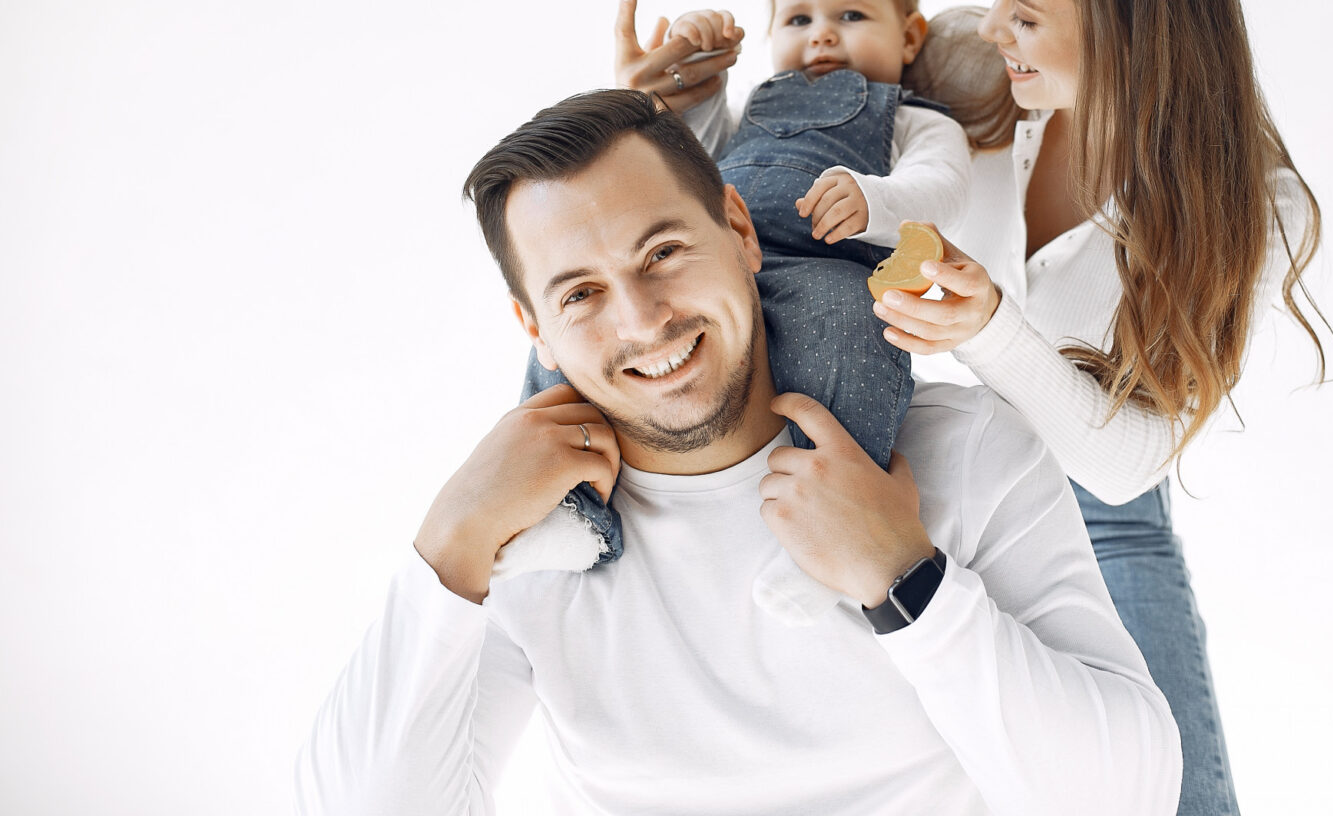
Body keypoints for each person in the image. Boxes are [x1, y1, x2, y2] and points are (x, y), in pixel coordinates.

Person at [295, 88, 1182, 815]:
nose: (644, 321)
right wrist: (448, 546)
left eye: (664, 252)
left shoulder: (968, 449)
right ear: (535, 329)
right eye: (580, 294)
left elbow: (1129, 796)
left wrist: (906, 580)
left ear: (740, 230)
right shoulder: (528, 541)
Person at [879, 0, 1331, 816]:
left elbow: (1129, 464)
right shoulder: (976, 66)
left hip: (1104, 522)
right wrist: (689, 102)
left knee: (1179, 799)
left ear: (1132, 37)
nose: (994, 24)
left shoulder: (1255, 207)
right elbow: (816, 106)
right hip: (928, 484)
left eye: (1028, 13)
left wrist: (993, 327)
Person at [513, 0, 971, 623]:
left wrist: (875, 200)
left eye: (851, 15)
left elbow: (945, 186)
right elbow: (690, 170)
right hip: (718, 267)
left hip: (823, 265)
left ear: (909, 35)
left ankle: (825, 531)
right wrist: (688, 90)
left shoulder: (910, 119)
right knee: (566, 351)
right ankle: (569, 512)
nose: (821, 34)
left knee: (858, 327)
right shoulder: (759, 103)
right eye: (798, 17)